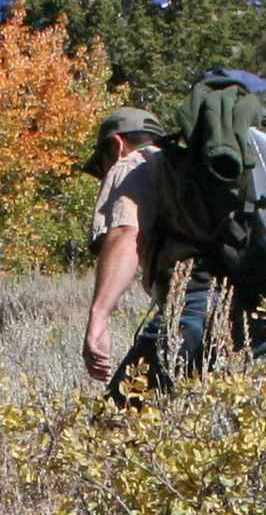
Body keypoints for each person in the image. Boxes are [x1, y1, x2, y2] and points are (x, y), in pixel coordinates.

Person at [80, 106, 223, 396]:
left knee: (115, 423)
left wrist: (99, 317)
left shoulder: (132, 163)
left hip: (192, 304)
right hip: (250, 306)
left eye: (102, 165)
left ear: (116, 145)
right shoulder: (186, 168)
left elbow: (125, 233)